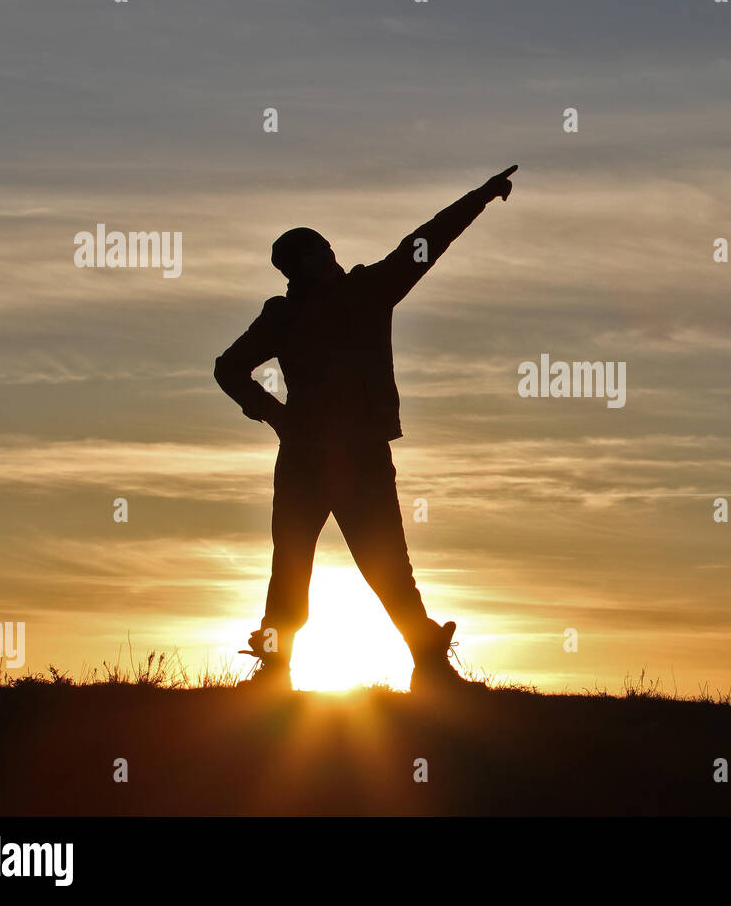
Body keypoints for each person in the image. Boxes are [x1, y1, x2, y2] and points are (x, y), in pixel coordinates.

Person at [214, 165, 518, 692]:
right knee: (290, 568)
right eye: (315, 253)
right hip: (308, 459)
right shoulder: (285, 316)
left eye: (327, 248)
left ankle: (430, 664)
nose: (328, 257)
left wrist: (479, 197)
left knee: (388, 567)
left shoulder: (368, 291)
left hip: (361, 456)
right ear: (294, 268)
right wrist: (276, 414)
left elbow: (423, 243)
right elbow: (228, 367)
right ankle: (272, 671)